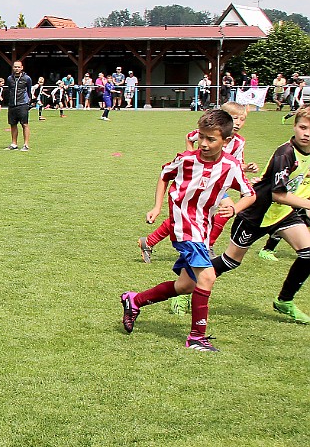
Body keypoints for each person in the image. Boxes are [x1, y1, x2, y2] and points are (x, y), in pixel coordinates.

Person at [121, 109, 255, 352]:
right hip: (183, 226)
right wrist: (157, 206)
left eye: (210, 139)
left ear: (226, 141)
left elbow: (250, 194)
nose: (203, 143)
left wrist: (234, 208)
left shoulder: (231, 165)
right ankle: (196, 337)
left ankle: (134, 300)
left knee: (185, 286)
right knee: (208, 276)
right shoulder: (186, 159)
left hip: (202, 229)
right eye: (201, 137)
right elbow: (164, 175)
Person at [208, 107, 310, 326]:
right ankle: (187, 288)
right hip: (257, 213)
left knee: (308, 254)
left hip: (284, 215)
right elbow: (278, 194)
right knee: (230, 261)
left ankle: (284, 301)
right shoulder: (286, 153)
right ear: (294, 127)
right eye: (302, 127)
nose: (306, 133)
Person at [138, 102, 259, 266]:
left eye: (242, 119)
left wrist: (247, 168)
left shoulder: (239, 142)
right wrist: (193, 157)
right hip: (200, 179)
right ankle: (206, 246)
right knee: (188, 214)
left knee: (194, 214)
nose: (238, 122)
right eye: (234, 118)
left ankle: (152, 241)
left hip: (219, 182)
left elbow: (238, 164)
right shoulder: (204, 137)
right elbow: (189, 138)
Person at [5, 60, 33, 150]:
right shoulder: (9, 78)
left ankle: (26, 144)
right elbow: (9, 90)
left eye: (18, 67)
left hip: (23, 104)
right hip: (12, 104)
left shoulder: (27, 78)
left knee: (24, 124)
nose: (17, 68)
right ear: (13, 68)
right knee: (13, 124)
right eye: (15, 67)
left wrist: (28, 102)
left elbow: (29, 91)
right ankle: (14, 144)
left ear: (22, 68)